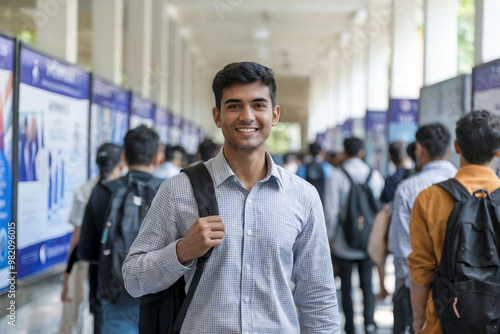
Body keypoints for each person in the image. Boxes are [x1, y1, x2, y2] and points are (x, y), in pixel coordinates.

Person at [123, 61, 340, 333]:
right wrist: (182, 251)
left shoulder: (302, 197)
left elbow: (318, 297)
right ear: (217, 116)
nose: (247, 116)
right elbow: (133, 279)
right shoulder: (178, 190)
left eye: (258, 105)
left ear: (274, 115)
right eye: (234, 106)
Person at [408, 110, 500, 334]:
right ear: (498, 152)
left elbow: (421, 271)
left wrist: (419, 322)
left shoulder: (429, 198)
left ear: (456, 148)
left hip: (443, 321)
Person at [78, 126, 162, 333]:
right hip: (159, 296)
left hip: (114, 294)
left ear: (124, 157)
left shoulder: (103, 191)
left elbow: (88, 252)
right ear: (157, 158)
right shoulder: (170, 190)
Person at [389, 123, 457, 334]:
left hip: (416, 292)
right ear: (451, 148)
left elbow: (401, 251)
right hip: (458, 295)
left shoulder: (408, 188)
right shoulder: (463, 184)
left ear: (420, 149)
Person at [59, 143, 124, 334]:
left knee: (87, 312)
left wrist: (68, 271)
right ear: (121, 163)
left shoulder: (85, 190)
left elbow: (78, 235)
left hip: (87, 261)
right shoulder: (123, 190)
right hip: (114, 265)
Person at [324, 136, 384, 334]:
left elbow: (331, 211)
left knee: (346, 286)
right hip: (368, 241)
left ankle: (350, 326)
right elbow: (379, 209)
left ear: (344, 151)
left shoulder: (337, 175)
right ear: (361, 152)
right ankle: (369, 323)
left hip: (344, 241)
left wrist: (330, 237)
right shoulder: (374, 175)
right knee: (367, 283)